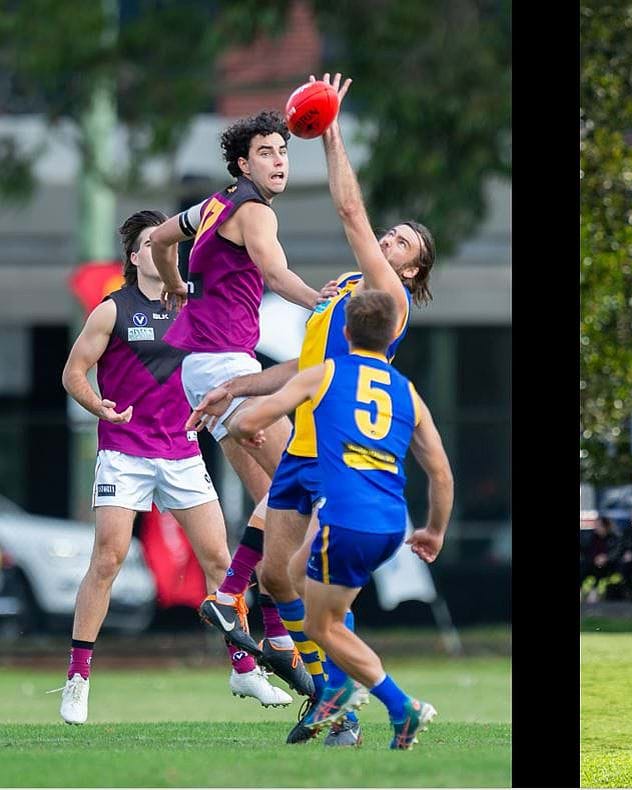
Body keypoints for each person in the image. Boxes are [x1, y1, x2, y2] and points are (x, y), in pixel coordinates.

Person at [185, 74, 435, 746]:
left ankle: (346, 703)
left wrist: (330, 131)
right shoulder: (347, 292)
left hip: (336, 449)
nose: (388, 243)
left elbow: (350, 211)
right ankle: (327, 691)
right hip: (303, 440)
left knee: (314, 587)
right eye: (391, 236)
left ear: (410, 272)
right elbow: (305, 367)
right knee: (278, 575)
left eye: (402, 245)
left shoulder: (388, 297)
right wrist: (238, 387)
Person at [56, 210, 289, 725]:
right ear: (134, 255)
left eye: (170, 243)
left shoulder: (193, 307)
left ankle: (244, 668)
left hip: (182, 451)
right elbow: (74, 373)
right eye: (150, 243)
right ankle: (77, 678)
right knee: (109, 559)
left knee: (221, 561)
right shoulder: (113, 310)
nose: (165, 249)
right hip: (125, 452)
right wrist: (98, 407)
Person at [145, 108, 337, 699]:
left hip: (204, 369)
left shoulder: (212, 206)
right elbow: (275, 275)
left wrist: (174, 285)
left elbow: (159, 239)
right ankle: (231, 596)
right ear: (242, 164)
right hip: (227, 367)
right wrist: (323, 303)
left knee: (273, 504)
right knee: (302, 485)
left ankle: (273, 636)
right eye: (266, 152)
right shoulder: (254, 210)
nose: (279, 161)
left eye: (284, 150)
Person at [226, 289, 453, 747]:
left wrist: (242, 429)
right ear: (392, 337)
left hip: (348, 521)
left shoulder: (326, 372)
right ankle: (341, 693)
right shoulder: (407, 391)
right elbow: (441, 473)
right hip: (391, 523)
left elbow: (248, 421)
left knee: (320, 625)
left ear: (345, 332)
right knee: (291, 573)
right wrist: (434, 531)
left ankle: (397, 706)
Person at [581, 516, 623, 602]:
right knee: (583, 565)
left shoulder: (614, 537)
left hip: (610, 565)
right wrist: (595, 558)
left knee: (599, 566)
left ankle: (594, 591)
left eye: (598, 525)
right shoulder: (592, 537)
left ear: (605, 526)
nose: (596, 527)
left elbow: (617, 552)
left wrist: (606, 558)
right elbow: (587, 551)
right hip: (592, 563)